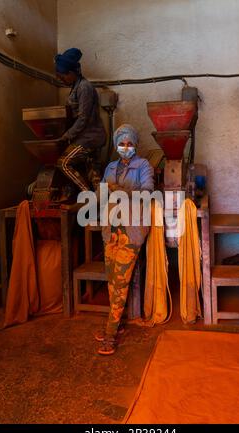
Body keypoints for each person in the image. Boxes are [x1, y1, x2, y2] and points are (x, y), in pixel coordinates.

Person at [95, 124, 154, 355]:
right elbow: (101, 194)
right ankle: (116, 323)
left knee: (121, 281)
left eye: (130, 143)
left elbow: (148, 191)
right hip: (111, 229)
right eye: (122, 143)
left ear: (135, 145)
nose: (126, 147)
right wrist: (102, 190)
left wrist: (121, 190)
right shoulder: (110, 166)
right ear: (117, 144)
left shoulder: (143, 165)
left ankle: (110, 334)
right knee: (112, 279)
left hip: (131, 229)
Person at [55, 48, 106, 191]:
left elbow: (83, 118)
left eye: (62, 76)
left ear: (71, 73)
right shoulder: (75, 87)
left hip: (89, 138)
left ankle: (87, 195)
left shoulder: (84, 87)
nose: (60, 79)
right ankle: (100, 205)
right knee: (94, 175)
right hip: (89, 137)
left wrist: (66, 136)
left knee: (63, 163)